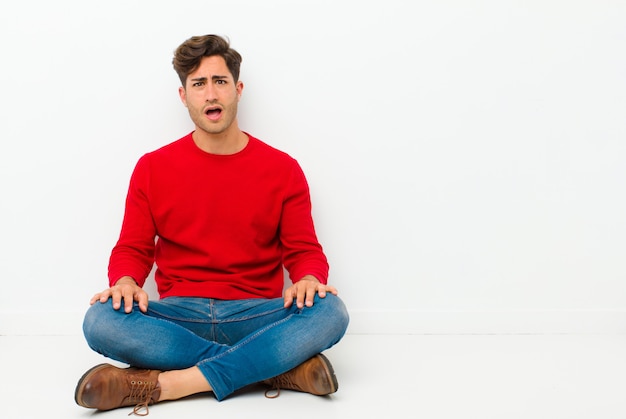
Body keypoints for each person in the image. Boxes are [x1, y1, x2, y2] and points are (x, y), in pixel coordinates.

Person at [74, 34, 349, 416]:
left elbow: (303, 251)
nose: (210, 93)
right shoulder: (152, 168)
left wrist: (308, 278)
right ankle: (271, 370)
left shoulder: (282, 169)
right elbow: (132, 249)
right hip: (178, 318)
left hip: (254, 314)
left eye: (219, 81)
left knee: (330, 311)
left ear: (237, 89)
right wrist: (124, 283)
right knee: (100, 320)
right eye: (198, 84)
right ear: (184, 96)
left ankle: (169, 385)